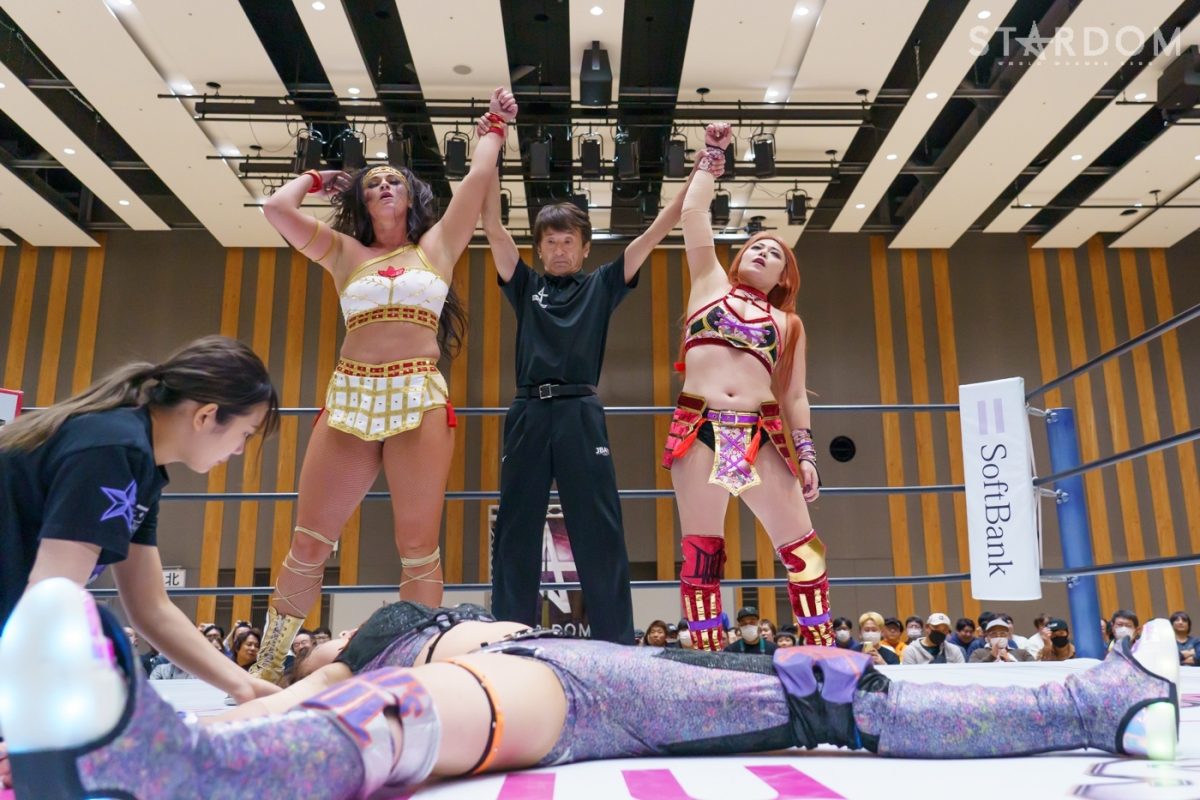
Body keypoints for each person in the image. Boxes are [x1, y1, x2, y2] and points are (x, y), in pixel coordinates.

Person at [0, 581, 1181, 798]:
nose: (310, 652)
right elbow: (271, 700)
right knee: (405, 716)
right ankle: (173, 773)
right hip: (526, 680)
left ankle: (1104, 699)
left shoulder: (375, 635)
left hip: (578, 670)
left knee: (829, 684)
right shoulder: (374, 656)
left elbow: (272, 695)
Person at [247, 88, 519, 682]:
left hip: (418, 394)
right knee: (309, 541)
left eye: (395, 180)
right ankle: (265, 668)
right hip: (350, 394)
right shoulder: (344, 252)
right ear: (362, 201)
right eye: (373, 184)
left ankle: (413, 665)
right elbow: (275, 208)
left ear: (412, 196)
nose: (385, 186)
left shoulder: (437, 247)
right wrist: (319, 178)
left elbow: (477, 181)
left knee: (418, 547)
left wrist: (495, 128)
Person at [478, 144, 694, 646]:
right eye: (550, 242)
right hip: (529, 410)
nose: (559, 250)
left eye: (568, 241)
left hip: (580, 410)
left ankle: (616, 642)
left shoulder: (602, 285)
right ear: (539, 249)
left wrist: (698, 174)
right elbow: (492, 225)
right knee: (515, 526)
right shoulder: (525, 285)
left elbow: (655, 231)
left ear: (584, 247)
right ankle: (509, 636)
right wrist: (493, 147)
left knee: (599, 525)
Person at [0, 335, 281, 705]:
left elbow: (152, 609)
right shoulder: (113, 449)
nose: (240, 449)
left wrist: (244, 685)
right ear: (206, 416)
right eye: (245, 433)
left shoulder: (140, 466)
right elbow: (51, 596)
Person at [665, 123, 826, 651]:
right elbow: (693, 214)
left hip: (761, 434)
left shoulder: (789, 324)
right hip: (699, 428)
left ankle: (820, 652)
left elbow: (795, 395)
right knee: (702, 554)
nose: (762, 252)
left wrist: (807, 454)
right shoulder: (708, 282)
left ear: (785, 277)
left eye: (774, 253)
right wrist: (712, 158)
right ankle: (710, 662)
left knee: (805, 552)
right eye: (756, 246)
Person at [900, 613, 964, 665]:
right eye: (936, 628)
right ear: (927, 627)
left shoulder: (954, 650)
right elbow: (909, 676)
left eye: (944, 630)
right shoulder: (911, 651)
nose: (940, 632)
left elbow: (962, 674)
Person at [969, 618, 1033, 663]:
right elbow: (971, 669)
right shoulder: (978, 653)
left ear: (1008, 636)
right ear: (987, 637)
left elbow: (1033, 668)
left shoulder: (1022, 653)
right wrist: (991, 657)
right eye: (994, 634)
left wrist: (1009, 660)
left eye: (1002, 633)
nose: (998, 636)